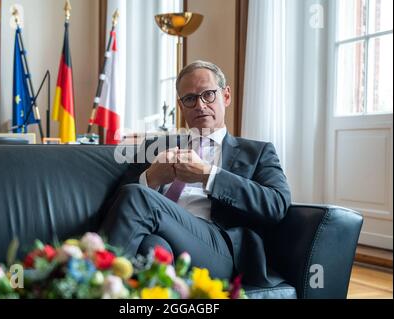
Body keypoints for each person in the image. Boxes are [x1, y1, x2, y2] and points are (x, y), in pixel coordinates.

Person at [100, 60, 291, 287]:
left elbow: (277, 204)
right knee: (153, 248)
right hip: (167, 239)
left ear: (226, 96)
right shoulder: (156, 147)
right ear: (181, 107)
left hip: (219, 249)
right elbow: (117, 206)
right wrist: (150, 179)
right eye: (190, 99)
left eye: (208, 94)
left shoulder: (257, 152)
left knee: (139, 196)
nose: (200, 105)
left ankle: (92, 282)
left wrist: (208, 175)